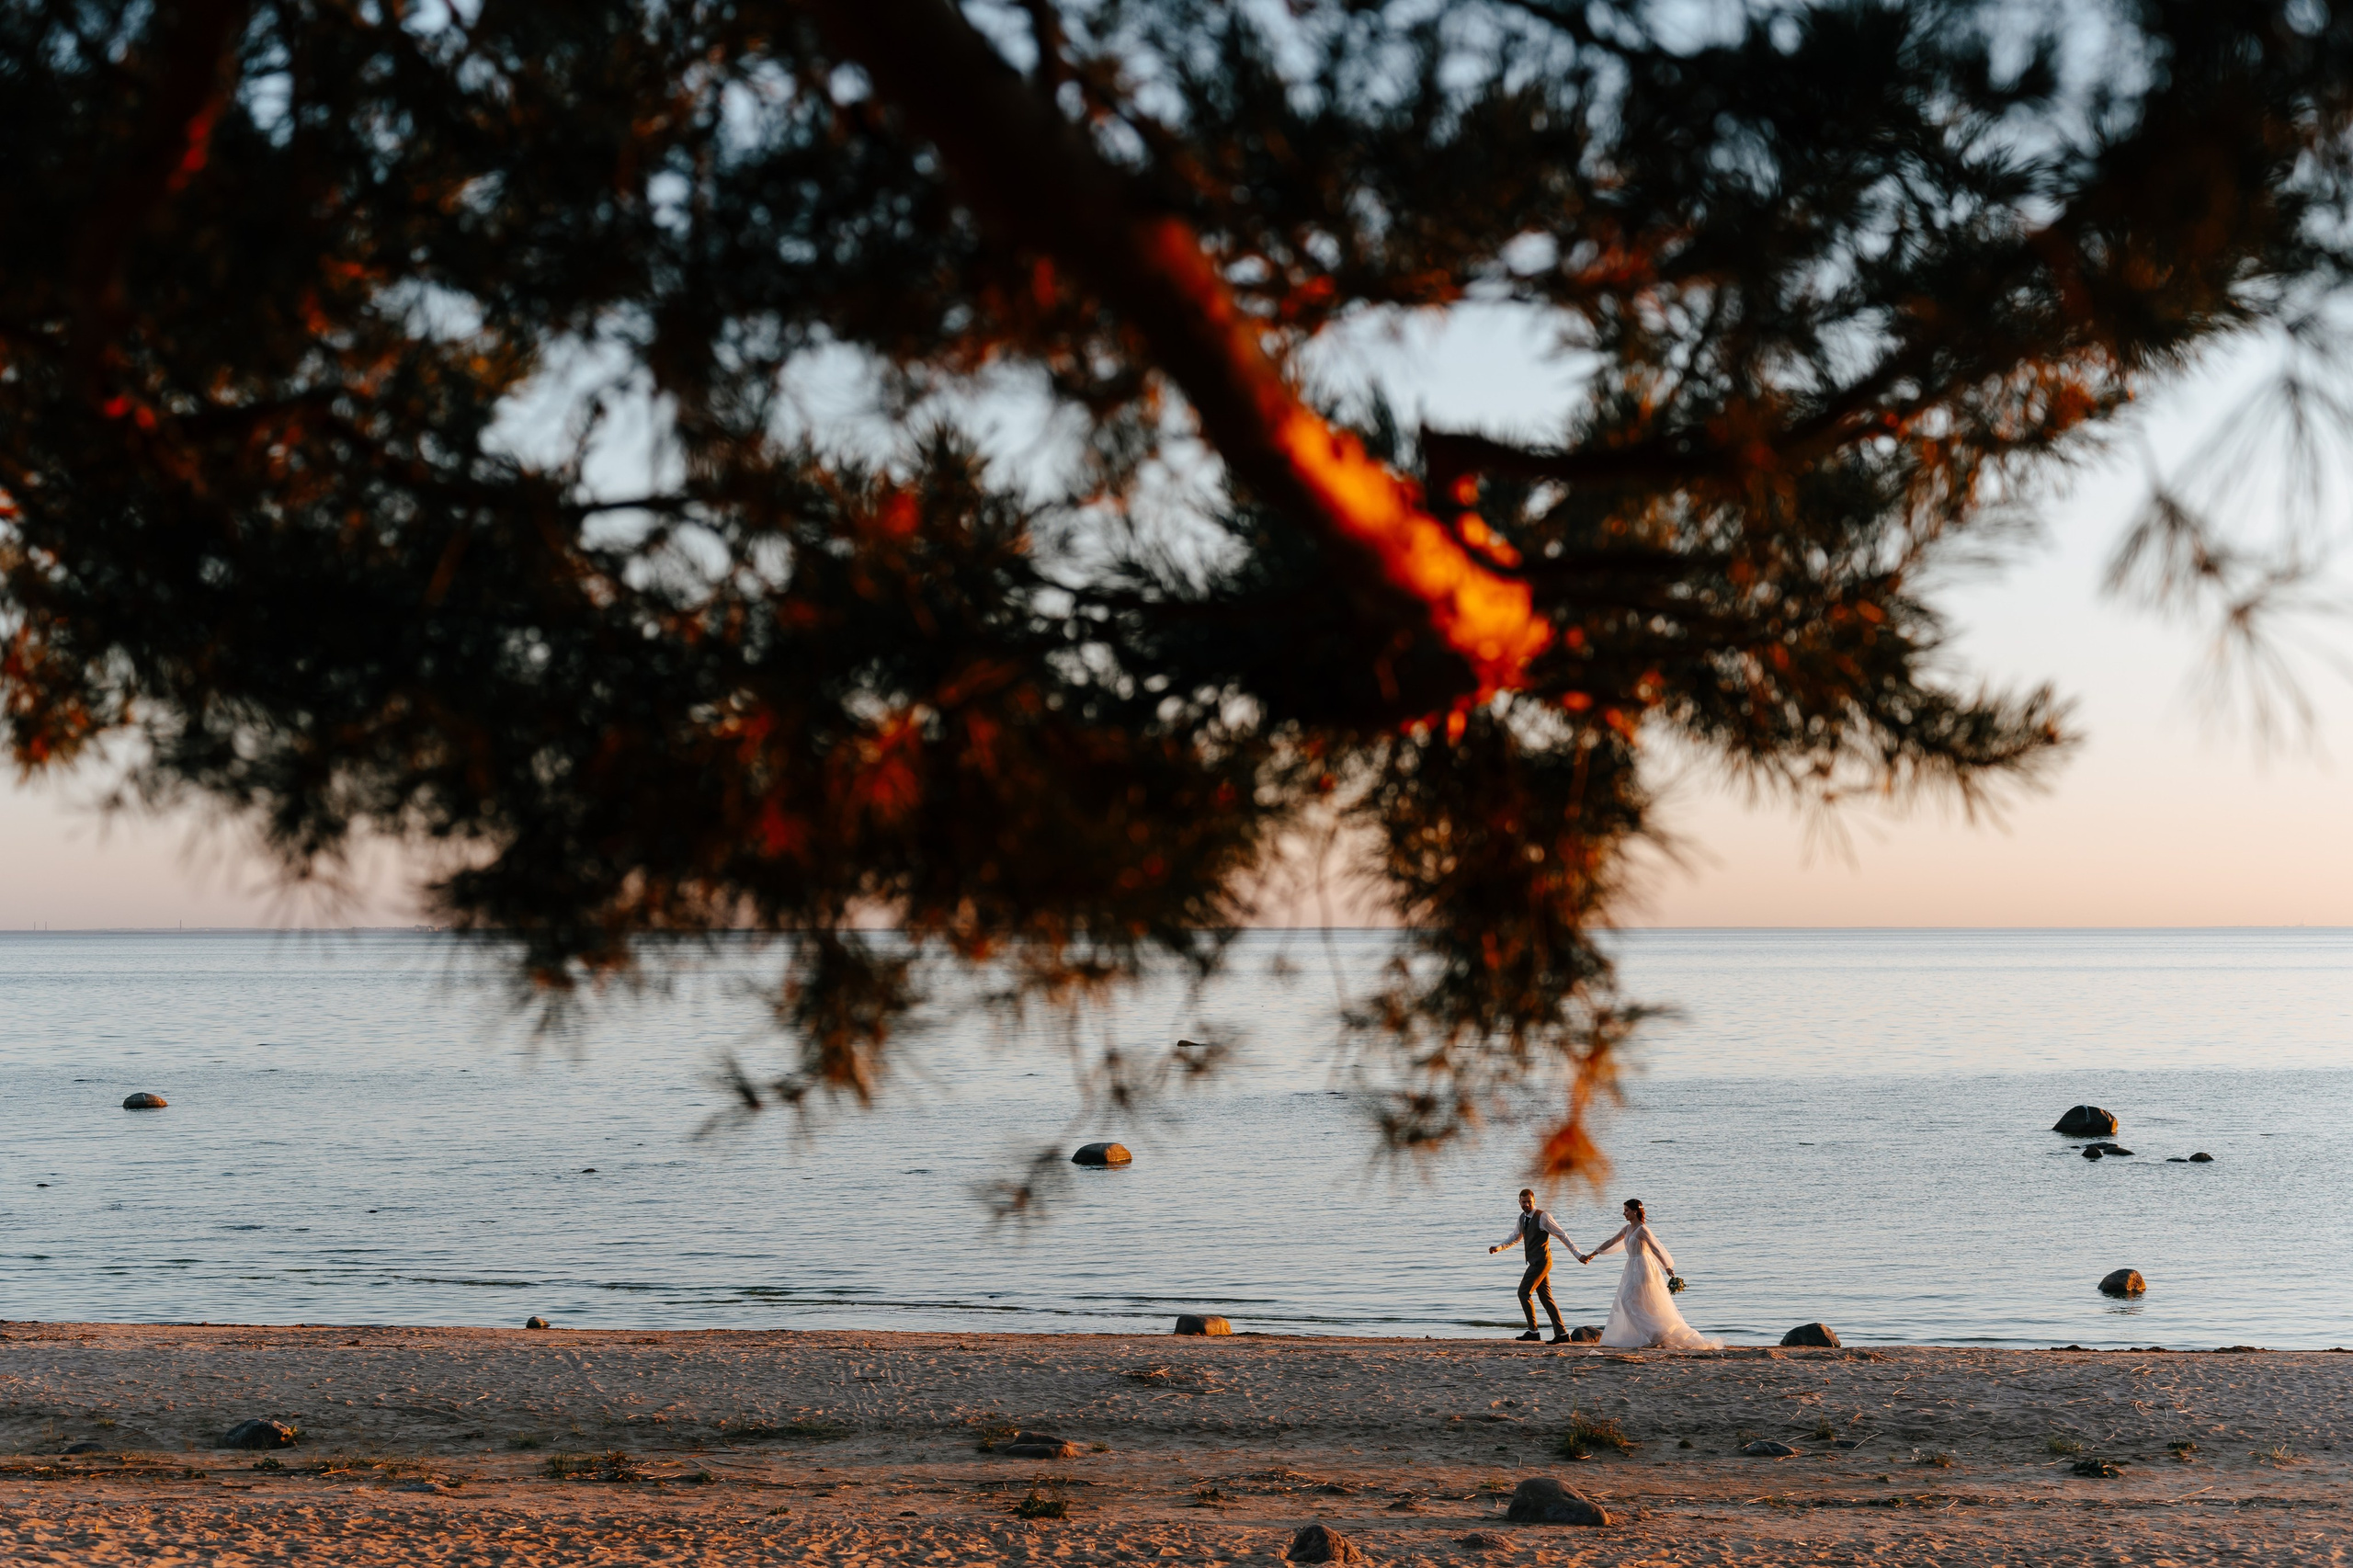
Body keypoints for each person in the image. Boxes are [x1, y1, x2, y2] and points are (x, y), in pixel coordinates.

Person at [1580, 1198, 1719, 1350]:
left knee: (1628, 1300)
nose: (1624, 1213)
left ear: (1635, 1211)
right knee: (1638, 1302)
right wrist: (1593, 1254)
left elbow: (1655, 1249)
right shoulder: (1627, 1229)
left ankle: (1652, 1334)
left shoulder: (1642, 1230)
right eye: (1624, 1210)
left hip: (1643, 1267)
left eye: (1626, 1210)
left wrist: (1667, 1267)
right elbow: (1611, 1241)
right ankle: (1651, 1334)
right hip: (1631, 1267)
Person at [1487, 1187, 1576, 1344]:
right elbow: (1515, 1237)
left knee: (1523, 1292)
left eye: (1529, 1201)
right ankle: (1562, 1334)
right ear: (1519, 1202)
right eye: (1524, 1202)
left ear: (1534, 1201)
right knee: (1546, 1298)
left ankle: (1533, 1331)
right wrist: (1499, 1247)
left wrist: (1577, 1254)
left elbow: (1562, 1235)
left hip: (1542, 1262)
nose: (1527, 1204)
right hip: (1535, 1261)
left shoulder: (1543, 1217)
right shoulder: (1522, 1218)